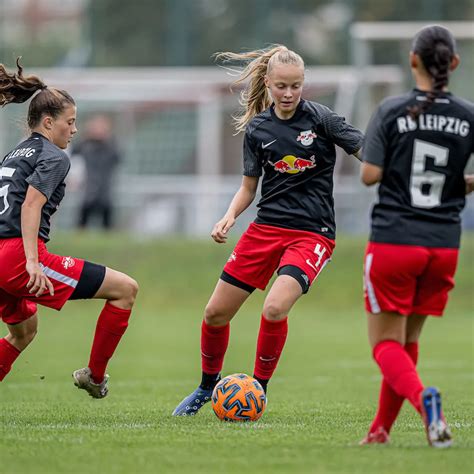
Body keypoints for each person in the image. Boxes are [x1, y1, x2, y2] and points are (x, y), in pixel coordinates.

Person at [172, 45, 363, 416]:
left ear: (303, 84)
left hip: (312, 234)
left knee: (275, 308)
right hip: (264, 230)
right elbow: (249, 187)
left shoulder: (323, 120)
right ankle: (206, 387)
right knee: (214, 314)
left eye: (295, 86)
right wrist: (229, 217)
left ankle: (257, 389)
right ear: (268, 84)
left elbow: (367, 151)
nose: (289, 93)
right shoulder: (258, 128)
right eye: (281, 86)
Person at [360, 25, 473, 448]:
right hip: (443, 245)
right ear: (455, 64)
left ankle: (424, 400)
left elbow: (370, 175)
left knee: (384, 345)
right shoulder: (468, 115)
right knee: (407, 341)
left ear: (413, 60)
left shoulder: (392, 110)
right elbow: (454, 179)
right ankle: (379, 432)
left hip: (395, 239)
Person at [0, 58, 139, 398]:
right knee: (125, 289)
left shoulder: (16, 152)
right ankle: (95, 375)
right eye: (70, 122)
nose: (74, 130)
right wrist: (32, 261)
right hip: (18, 256)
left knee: (23, 331)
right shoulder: (54, 155)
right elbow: (31, 205)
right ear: (48, 122)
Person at [72, 114, 121, 230]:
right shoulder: (85, 144)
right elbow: (74, 155)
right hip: (88, 189)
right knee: (83, 219)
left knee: (107, 222)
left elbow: (118, 157)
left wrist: (107, 138)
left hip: (105, 190)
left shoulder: (111, 144)